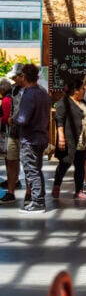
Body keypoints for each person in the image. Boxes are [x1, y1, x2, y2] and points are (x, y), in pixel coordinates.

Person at [15, 63, 52, 214]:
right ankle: (39, 200)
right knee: (37, 169)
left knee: (31, 170)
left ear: (24, 76)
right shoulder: (43, 93)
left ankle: (37, 202)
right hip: (41, 136)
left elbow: (23, 119)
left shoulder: (29, 94)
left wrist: (14, 119)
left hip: (30, 139)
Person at [52, 78, 86, 202]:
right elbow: (59, 121)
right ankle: (56, 185)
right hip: (70, 139)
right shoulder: (63, 103)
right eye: (82, 89)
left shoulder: (83, 103)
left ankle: (79, 191)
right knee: (65, 163)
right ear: (75, 91)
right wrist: (61, 137)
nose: (83, 91)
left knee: (80, 165)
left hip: (82, 140)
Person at [0, 63, 26, 204]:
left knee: (28, 163)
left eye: (16, 77)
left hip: (26, 133)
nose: (14, 80)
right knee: (11, 161)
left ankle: (29, 194)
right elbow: (13, 110)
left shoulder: (32, 91)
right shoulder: (14, 90)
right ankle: (10, 192)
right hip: (13, 133)